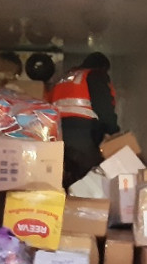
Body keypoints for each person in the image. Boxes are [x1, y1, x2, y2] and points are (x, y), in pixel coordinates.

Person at [48, 52, 121, 188]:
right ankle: (85, 206)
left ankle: (69, 204)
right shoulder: (94, 75)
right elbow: (103, 106)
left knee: (66, 175)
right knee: (91, 176)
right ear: (102, 67)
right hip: (81, 132)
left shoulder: (65, 77)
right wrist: (113, 131)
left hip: (57, 132)